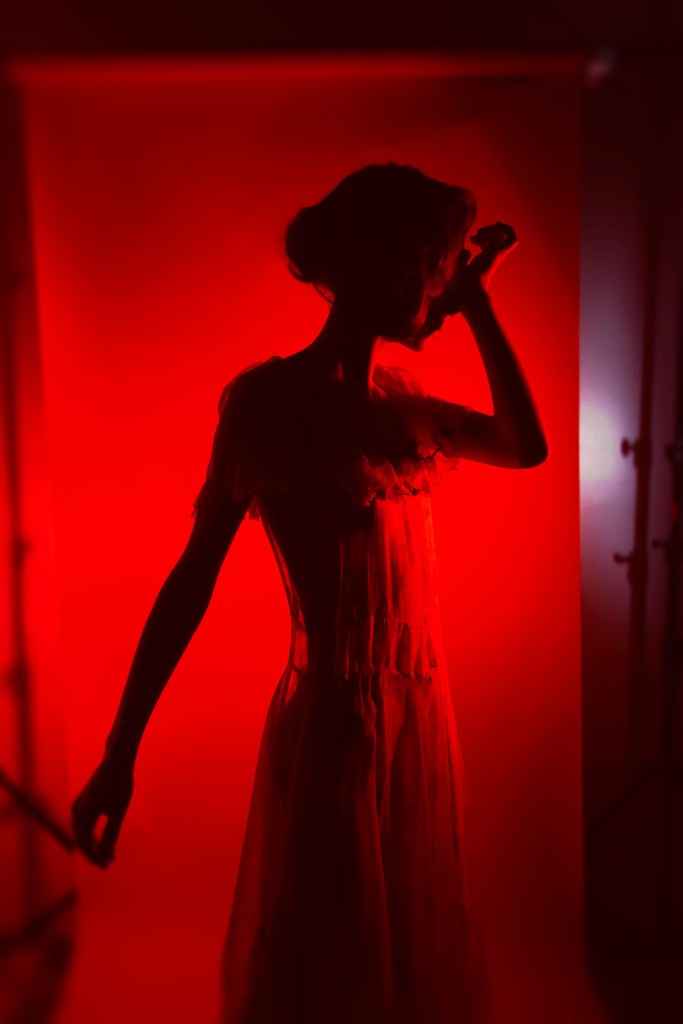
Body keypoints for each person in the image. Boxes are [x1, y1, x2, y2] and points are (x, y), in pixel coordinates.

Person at [71, 162, 548, 1024]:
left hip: (419, 725)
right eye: (437, 270)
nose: (442, 295)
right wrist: (119, 753)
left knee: (407, 959)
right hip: (333, 727)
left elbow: (525, 447)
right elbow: (192, 578)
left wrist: (479, 303)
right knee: (329, 958)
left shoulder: (401, 408)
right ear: (392, 271)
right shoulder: (269, 405)